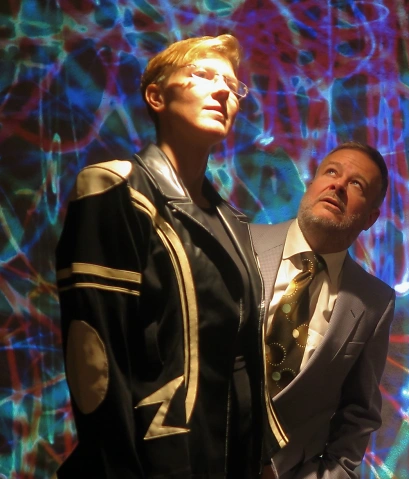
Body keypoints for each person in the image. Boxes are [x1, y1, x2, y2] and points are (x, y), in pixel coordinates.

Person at [55, 34, 266, 477]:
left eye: (232, 84)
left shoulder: (232, 221)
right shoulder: (117, 189)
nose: (223, 90)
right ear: (156, 96)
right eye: (202, 75)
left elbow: (240, 360)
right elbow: (96, 357)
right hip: (154, 462)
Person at [250, 142, 396, 479]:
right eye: (331, 172)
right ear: (311, 185)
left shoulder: (374, 302)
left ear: (371, 218)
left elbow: (359, 416)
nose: (338, 185)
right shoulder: (241, 241)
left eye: (356, 184)